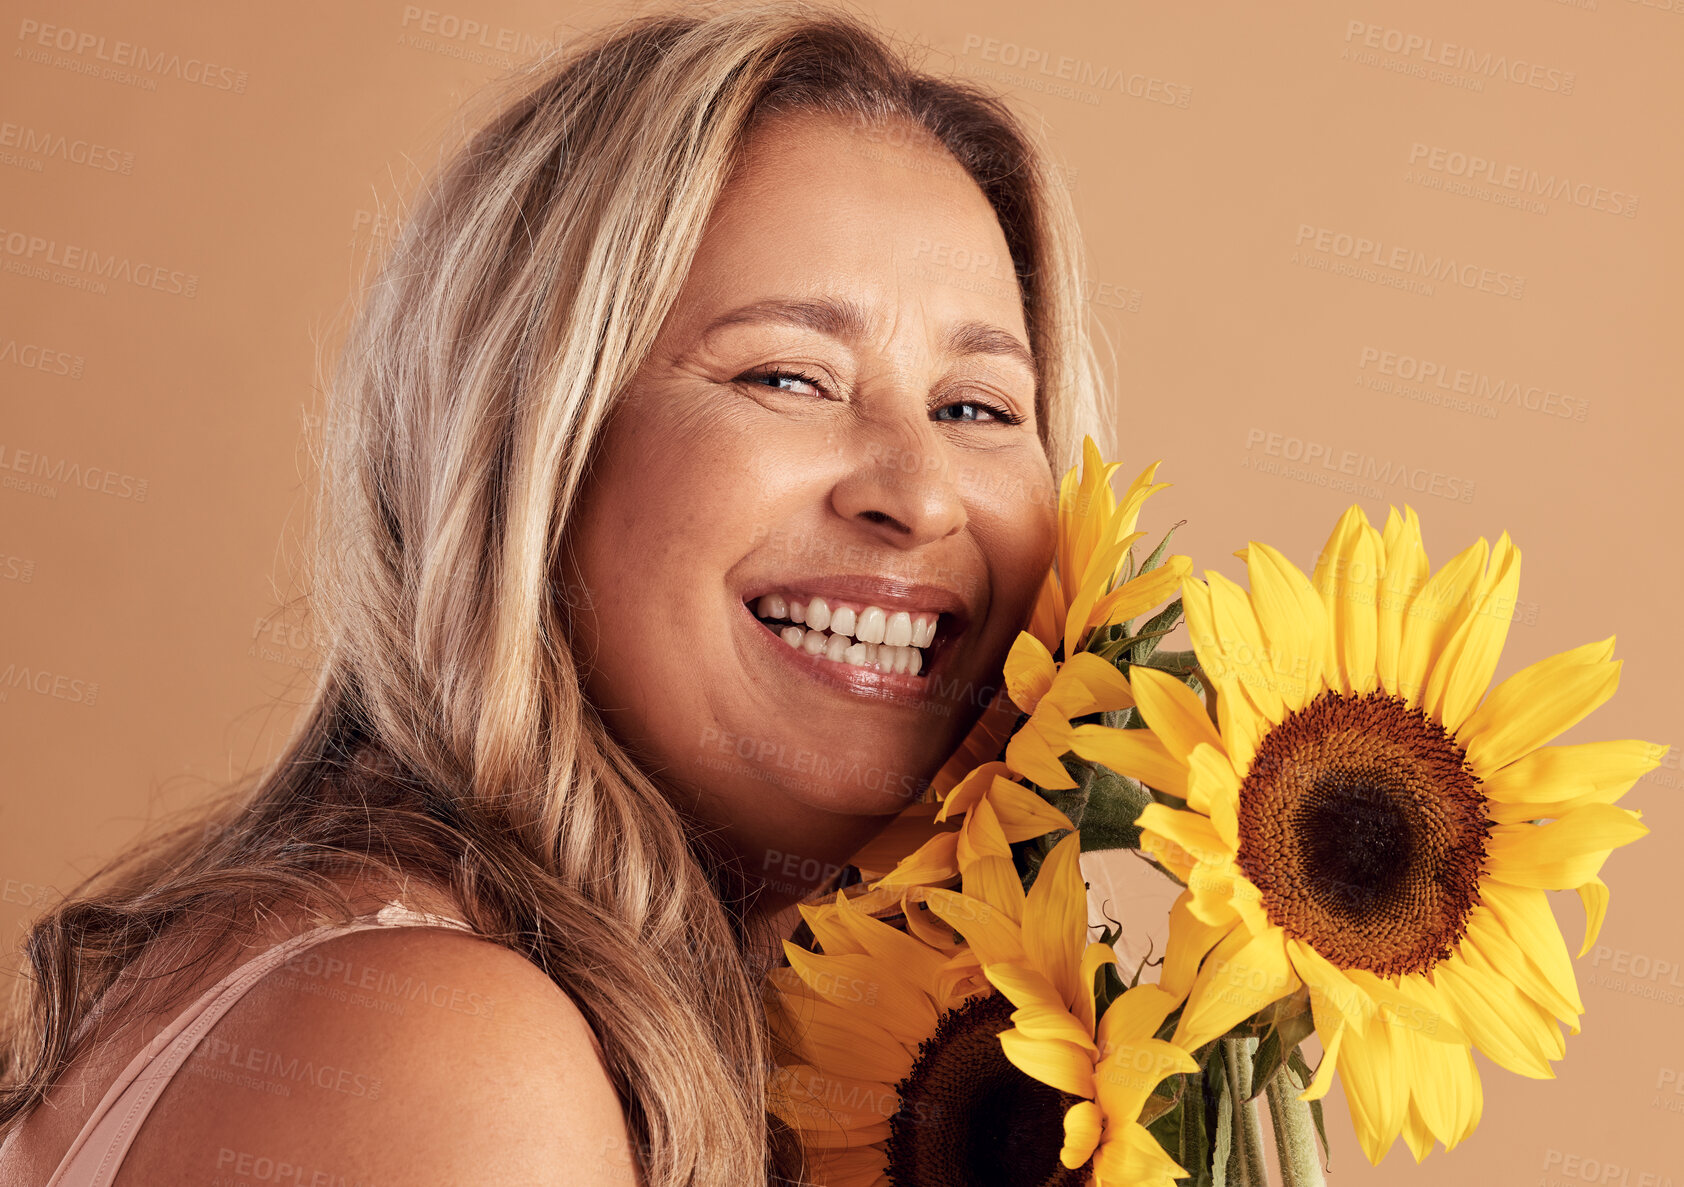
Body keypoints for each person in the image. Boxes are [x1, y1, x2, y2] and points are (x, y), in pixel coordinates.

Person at [0, 3, 1105, 1183]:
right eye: (786, 375)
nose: (919, 494)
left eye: (977, 407)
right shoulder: (449, 1053)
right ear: (531, 449)